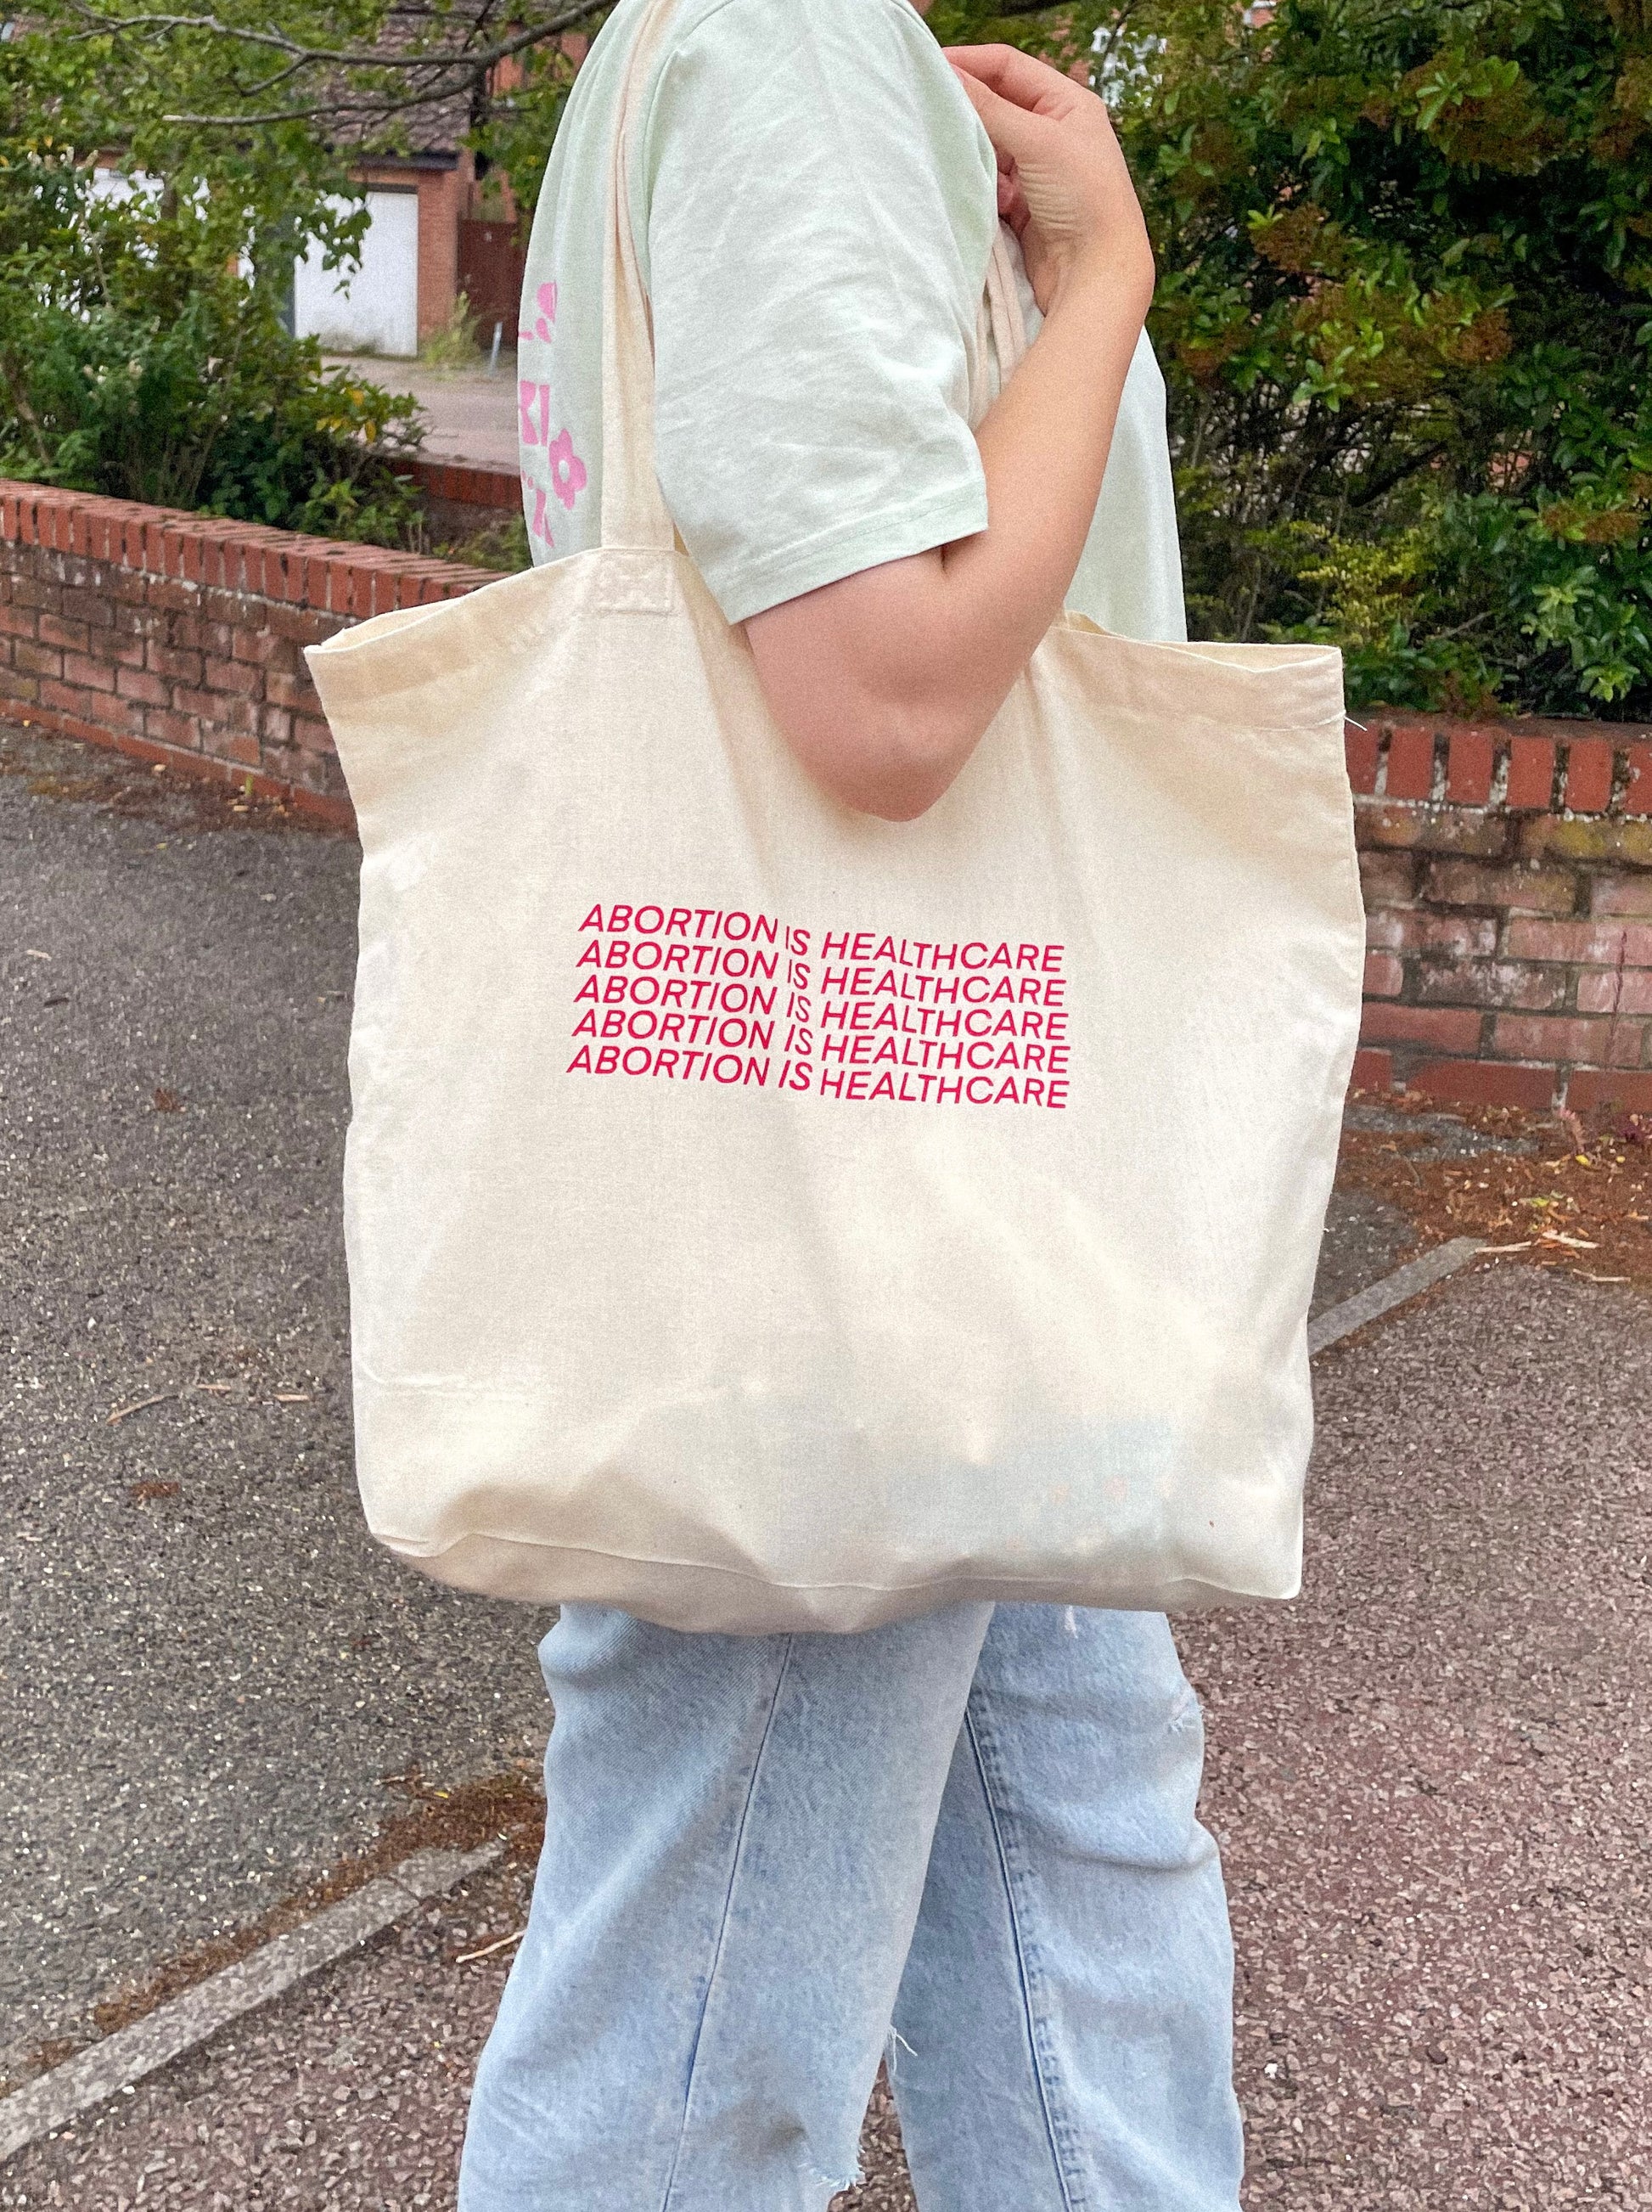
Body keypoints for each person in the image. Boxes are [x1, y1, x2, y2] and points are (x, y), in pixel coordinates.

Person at [464, 0, 1244, 2204]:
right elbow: (883, 695)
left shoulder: (777, 49)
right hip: (860, 1164)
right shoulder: (789, 42)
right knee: (702, 2022)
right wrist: (1103, 284)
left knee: (1074, 1851)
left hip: (951, 1163)